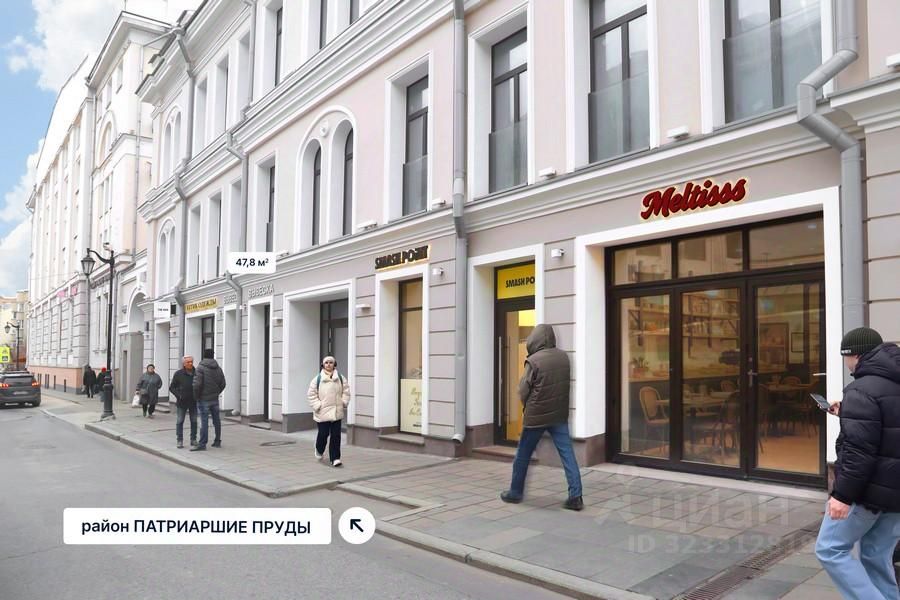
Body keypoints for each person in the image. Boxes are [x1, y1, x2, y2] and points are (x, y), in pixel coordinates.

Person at [815, 327, 900, 600]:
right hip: (896, 492)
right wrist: (848, 413)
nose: (846, 363)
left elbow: (858, 451)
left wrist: (842, 496)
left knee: (829, 548)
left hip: (869, 492)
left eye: (846, 357)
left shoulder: (860, 390)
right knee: (877, 556)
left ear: (854, 355)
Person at [501, 324, 584, 511]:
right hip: (558, 415)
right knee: (567, 454)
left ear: (535, 339)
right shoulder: (564, 357)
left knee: (523, 455)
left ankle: (515, 492)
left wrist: (527, 403)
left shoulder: (534, 361)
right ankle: (576, 496)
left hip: (536, 417)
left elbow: (523, 390)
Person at [307, 356, 350, 468]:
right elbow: (311, 395)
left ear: (334, 364)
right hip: (322, 413)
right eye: (326, 362)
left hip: (336, 412)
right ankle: (319, 449)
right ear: (323, 365)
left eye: (331, 362)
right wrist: (318, 406)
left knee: (336, 436)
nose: (329, 364)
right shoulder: (317, 379)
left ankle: (335, 458)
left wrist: (343, 402)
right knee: (323, 434)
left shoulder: (340, 378)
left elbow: (346, 392)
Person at [191, 348, 226, 451]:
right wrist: (216, 392)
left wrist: (196, 396)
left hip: (203, 399)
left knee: (204, 421)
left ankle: (202, 444)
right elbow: (223, 383)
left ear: (204, 355)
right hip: (214, 399)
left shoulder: (200, 368)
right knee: (217, 420)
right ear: (212, 356)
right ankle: (217, 441)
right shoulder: (218, 368)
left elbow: (196, 385)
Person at [169, 356, 198, 449]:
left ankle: (193, 439)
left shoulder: (197, 373)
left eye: (191, 361)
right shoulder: (178, 374)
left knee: (194, 421)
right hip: (182, 402)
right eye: (188, 362)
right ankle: (179, 440)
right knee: (180, 421)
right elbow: (172, 387)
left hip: (194, 401)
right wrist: (179, 395)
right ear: (184, 364)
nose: (190, 363)